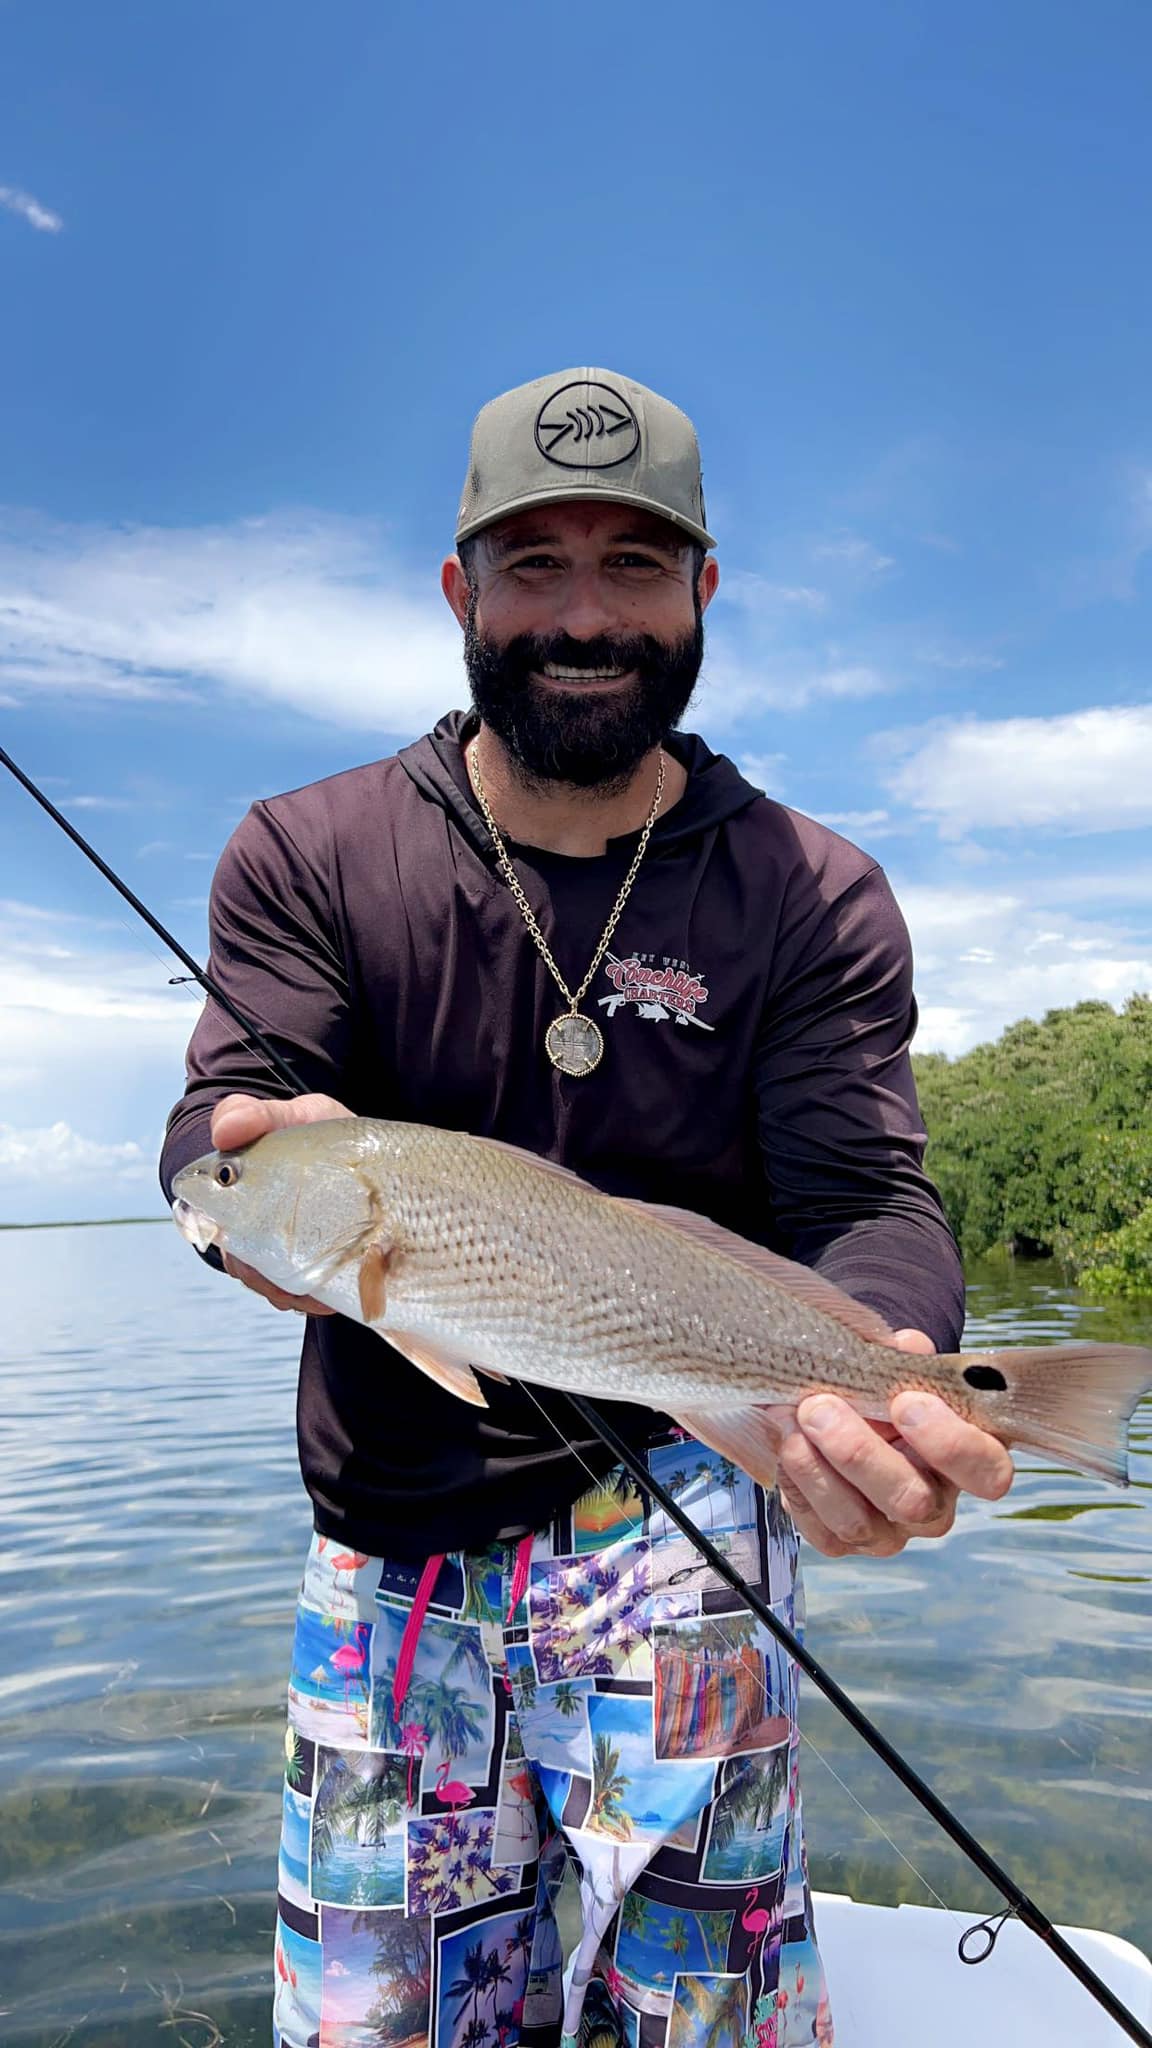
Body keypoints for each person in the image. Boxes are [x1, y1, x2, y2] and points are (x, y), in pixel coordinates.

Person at [161, 367, 1013, 2048]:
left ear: (703, 591)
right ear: (459, 591)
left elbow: (864, 1191)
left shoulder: (812, 890)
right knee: (378, 2020)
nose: (582, 614)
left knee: (700, 2014)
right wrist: (239, 1148)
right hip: (389, 1542)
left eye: (633, 564)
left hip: (694, 1488)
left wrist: (896, 1361)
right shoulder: (310, 850)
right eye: (533, 563)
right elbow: (226, 1112)